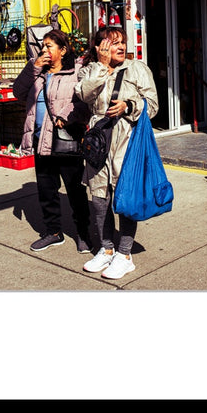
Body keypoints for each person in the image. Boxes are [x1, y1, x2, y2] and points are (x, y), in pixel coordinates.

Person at [75, 25, 158, 279]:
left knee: (125, 196)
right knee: (99, 197)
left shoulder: (137, 69)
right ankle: (107, 248)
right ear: (100, 47)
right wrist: (101, 66)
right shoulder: (90, 70)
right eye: (113, 42)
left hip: (127, 138)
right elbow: (83, 94)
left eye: (123, 42)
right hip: (99, 140)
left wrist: (129, 105)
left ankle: (124, 254)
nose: (121, 47)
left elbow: (152, 105)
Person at [12, 28, 92, 253]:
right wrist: (34, 66)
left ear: (63, 50)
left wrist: (66, 115)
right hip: (40, 140)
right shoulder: (37, 70)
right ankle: (53, 232)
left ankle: (83, 234)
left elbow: (84, 100)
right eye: (43, 45)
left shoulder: (76, 71)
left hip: (66, 139)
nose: (44, 50)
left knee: (75, 191)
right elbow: (18, 92)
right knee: (47, 190)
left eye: (49, 46)